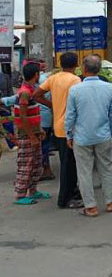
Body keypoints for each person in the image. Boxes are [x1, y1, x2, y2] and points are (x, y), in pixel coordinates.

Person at [64, 55, 112, 217]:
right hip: (103, 135)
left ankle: (91, 206)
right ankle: (110, 202)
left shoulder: (75, 90)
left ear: (83, 69)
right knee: (107, 168)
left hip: (81, 137)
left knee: (84, 172)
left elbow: (70, 116)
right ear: (99, 69)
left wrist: (69, 135)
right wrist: (111, 131)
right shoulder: (109, 88)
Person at [33, 52, 83, 209]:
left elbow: (36, 95)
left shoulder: (53, 78)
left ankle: (73, 191)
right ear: (76, 64)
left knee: (68, 162)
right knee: (69, 165)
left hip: (58, 125)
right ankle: (64, 199)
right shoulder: (76, 80)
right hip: (71, 127)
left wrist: (52, 105)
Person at [13, 63, 48, 205]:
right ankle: (20, 195)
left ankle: (33, 190)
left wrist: (39, 130)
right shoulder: (25, 92)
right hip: (26, 135)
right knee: (26, 164)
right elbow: (22, 117)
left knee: (36, 163)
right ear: (36, 75)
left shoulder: (31, 90)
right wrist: (32, 136)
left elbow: (33, 114)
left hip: (34, 133)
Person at [35, 59, 55, 181]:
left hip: (42, 117)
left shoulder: (41, 80)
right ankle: (46, 169)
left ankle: (45, 169)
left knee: (43, 145)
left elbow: (36, 97)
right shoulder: (48, 78)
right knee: (45, 144)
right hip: (47, 117)